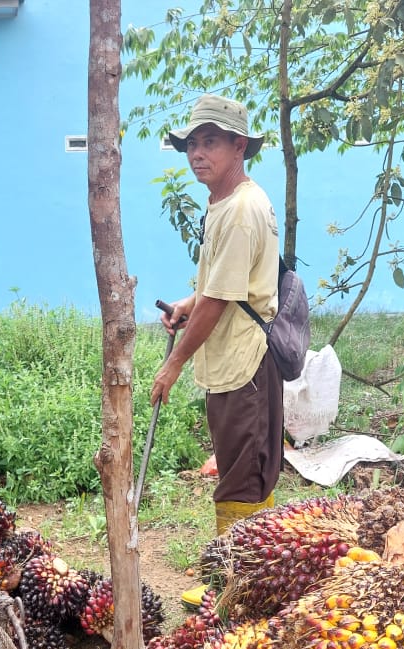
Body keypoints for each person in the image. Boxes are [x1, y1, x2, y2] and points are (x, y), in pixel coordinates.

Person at [151, 94, 283, 537]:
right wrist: (189, 303)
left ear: (239, 147)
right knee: (241, 466)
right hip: (230, 361)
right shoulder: (224, 203)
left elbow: (220, 300)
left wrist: (172, 365)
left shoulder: (242, 210)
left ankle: (236, 581)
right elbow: (219, 286)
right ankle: (247, 569)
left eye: (209, 142)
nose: (196, 154)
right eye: (191, 144)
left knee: (242, 477)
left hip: (244, 363)